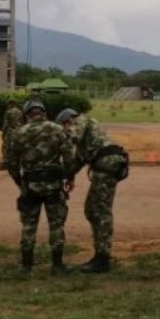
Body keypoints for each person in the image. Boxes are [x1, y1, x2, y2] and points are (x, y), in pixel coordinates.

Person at [7, 100, 76, 275]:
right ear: (43, 112)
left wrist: (19, 182)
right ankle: (57, 265)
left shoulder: (19, 133)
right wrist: (70, 177)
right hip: (53, 185)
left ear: (27, 114)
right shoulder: (57, 129)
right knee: (56, 225)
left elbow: (12, 164)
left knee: (29, 225)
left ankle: (27, 266)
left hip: (30, 185)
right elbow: (69, 157)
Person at [57, 108, 129, 274]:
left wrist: (62, 135)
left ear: (68, 120)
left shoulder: (81, 119)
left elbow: (74, 136)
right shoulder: (86, 138)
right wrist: (69, 176)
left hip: (106, 165)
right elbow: (79, 160)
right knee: (91, 210)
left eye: (63, 125)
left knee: (100, 211)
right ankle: (100, 254)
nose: (64, 129)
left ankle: (103, 258)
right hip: (105, 165)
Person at [0, 100, 25, 171]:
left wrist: (3, 133)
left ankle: (5, 163)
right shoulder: (20, 112)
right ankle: (20, 163)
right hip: (20, 131)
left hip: (11, 132)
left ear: (10, 105)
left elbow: (6, 124)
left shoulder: (8, 112)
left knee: (5, 147)